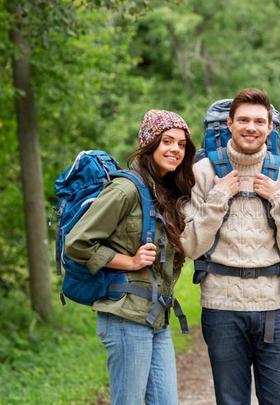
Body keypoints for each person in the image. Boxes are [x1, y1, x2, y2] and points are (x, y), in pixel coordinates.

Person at [180, 88, 280, 405]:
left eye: (258, 121)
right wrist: (217, 199)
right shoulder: (202, 174)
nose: (251, 127)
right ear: (229, 123)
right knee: (230, 400)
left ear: (269, 127)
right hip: (221, 307)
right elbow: (191, 245)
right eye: (243, 120)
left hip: (273, 308)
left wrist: (278, 200)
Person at [65, 109, 196, 404]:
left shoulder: (163, 192)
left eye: (181, 144)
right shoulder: (126, 188)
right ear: (150, 144)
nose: (175, 149)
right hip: (125, 317)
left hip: (156, 317)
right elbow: (78, 242)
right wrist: (130, 261)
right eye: (167, 141)